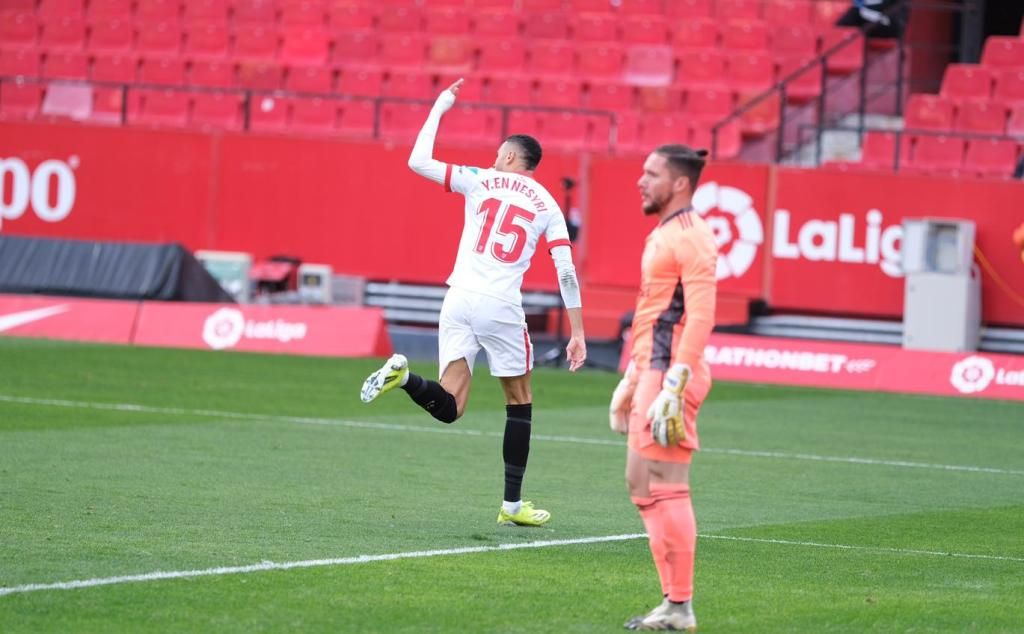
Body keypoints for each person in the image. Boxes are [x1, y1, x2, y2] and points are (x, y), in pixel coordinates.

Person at [360, 79, 587, 527]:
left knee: (451, 405)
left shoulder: (480, 179)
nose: (494, 158)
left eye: (499, 153)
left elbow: (417, 161)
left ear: (510, 157)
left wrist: (440, 106)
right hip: (500, 305)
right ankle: (512, 505)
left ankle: (405, 377)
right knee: (519, 401)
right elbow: (565, 271)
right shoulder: (548, 204)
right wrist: (577, 331)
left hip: (458, 297)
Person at [608, 145, 718, 631]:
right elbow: (653, 311)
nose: (640, 181)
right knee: (640, 483)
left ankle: (680, 605)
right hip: (652, 370)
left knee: (667, 485)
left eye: (651, 174)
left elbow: (701, 315)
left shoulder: (692, 237)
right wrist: (633, 378)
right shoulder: (664, 233)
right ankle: (671, 602)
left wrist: (676, 381)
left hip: (672, 372)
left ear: (679, 183)